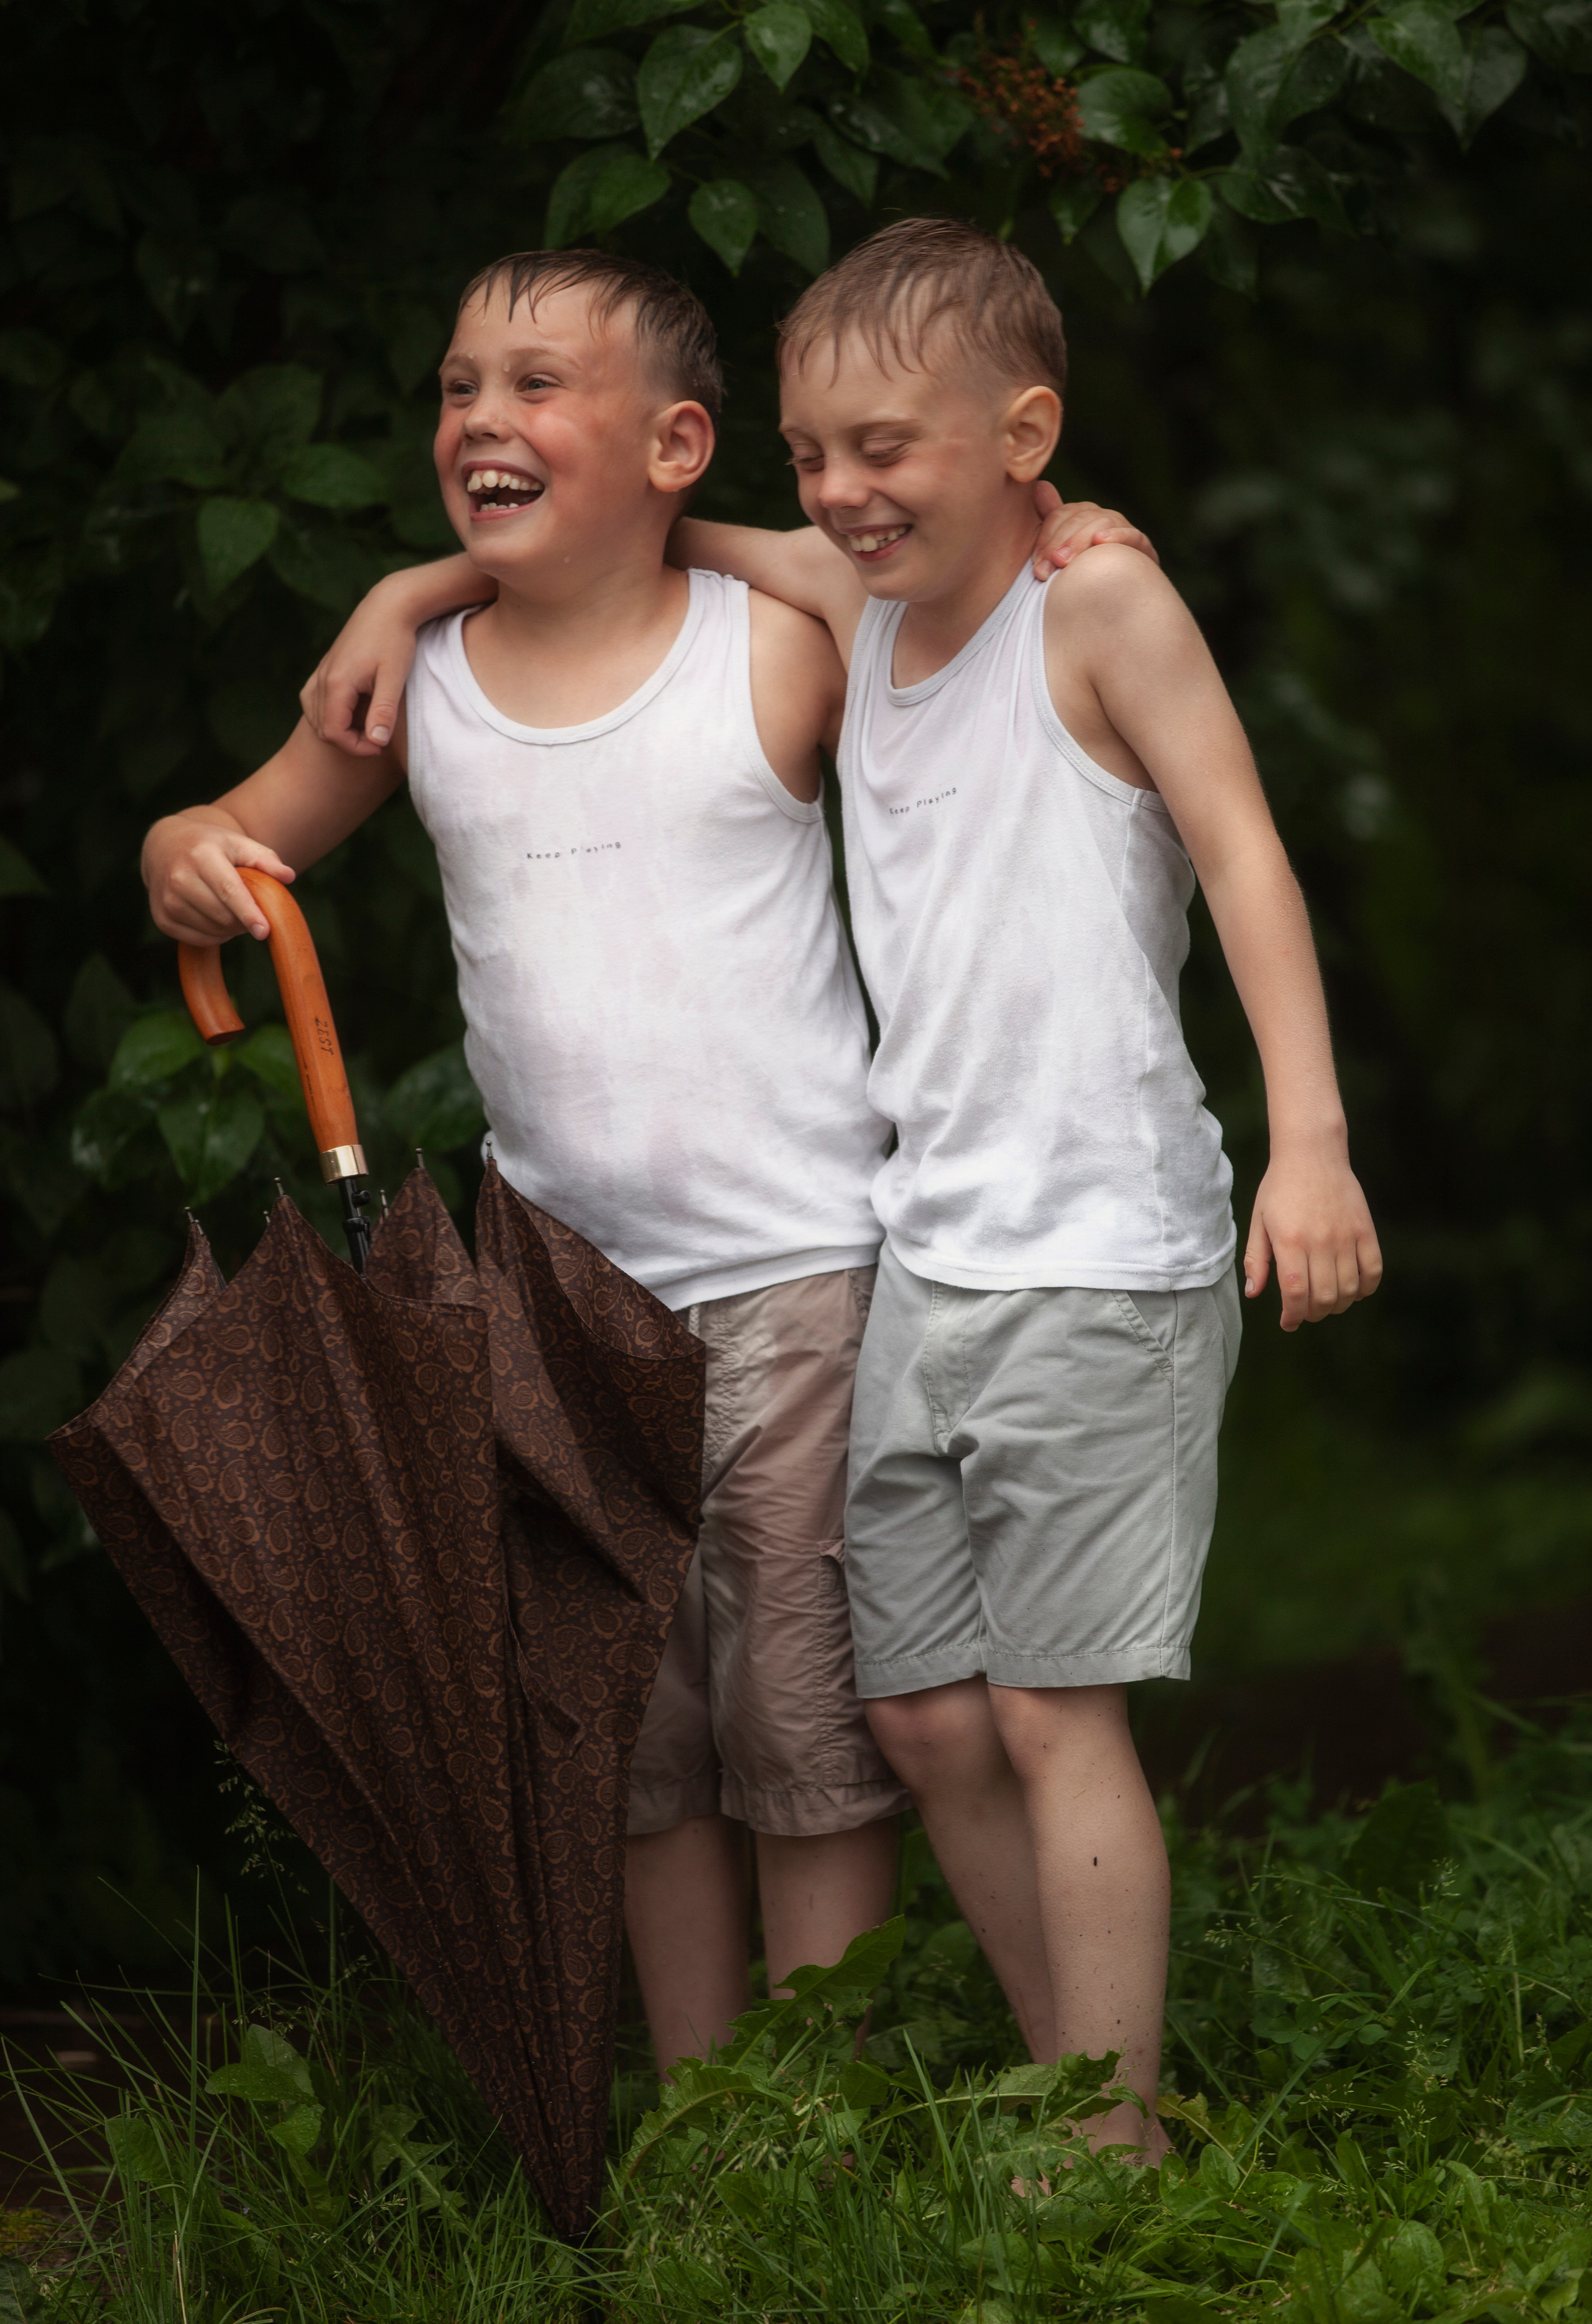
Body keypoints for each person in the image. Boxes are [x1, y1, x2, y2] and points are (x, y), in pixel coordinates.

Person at [304, 217, 1382, 2157]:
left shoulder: (1096, 610)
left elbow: (1247, 862)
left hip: (1094, 1236)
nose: (841, 488)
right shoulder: (865, 609)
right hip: (930, 1247)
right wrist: (404, 588)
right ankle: (1097, 2082)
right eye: (813, 453)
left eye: (886, 445)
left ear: (1026, 432)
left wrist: (1308, 1137)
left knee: (1049, 1712)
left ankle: (1111, 2136)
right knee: (922, 1717)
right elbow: (671, 531)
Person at [141, 245, 1143, 2080]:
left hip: (804, 1273)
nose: (481, 418)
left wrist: (1078, 527)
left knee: (805, 1718)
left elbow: (940, 569)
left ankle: (814, 2110)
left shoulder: (771, 642)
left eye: (536, 386)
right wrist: (190, 852)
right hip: (560, 1296)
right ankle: (707, 2107)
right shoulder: (418, 683)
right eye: (458, 387)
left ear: (682, 442)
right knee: (640, 1728)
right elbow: (223, 836)